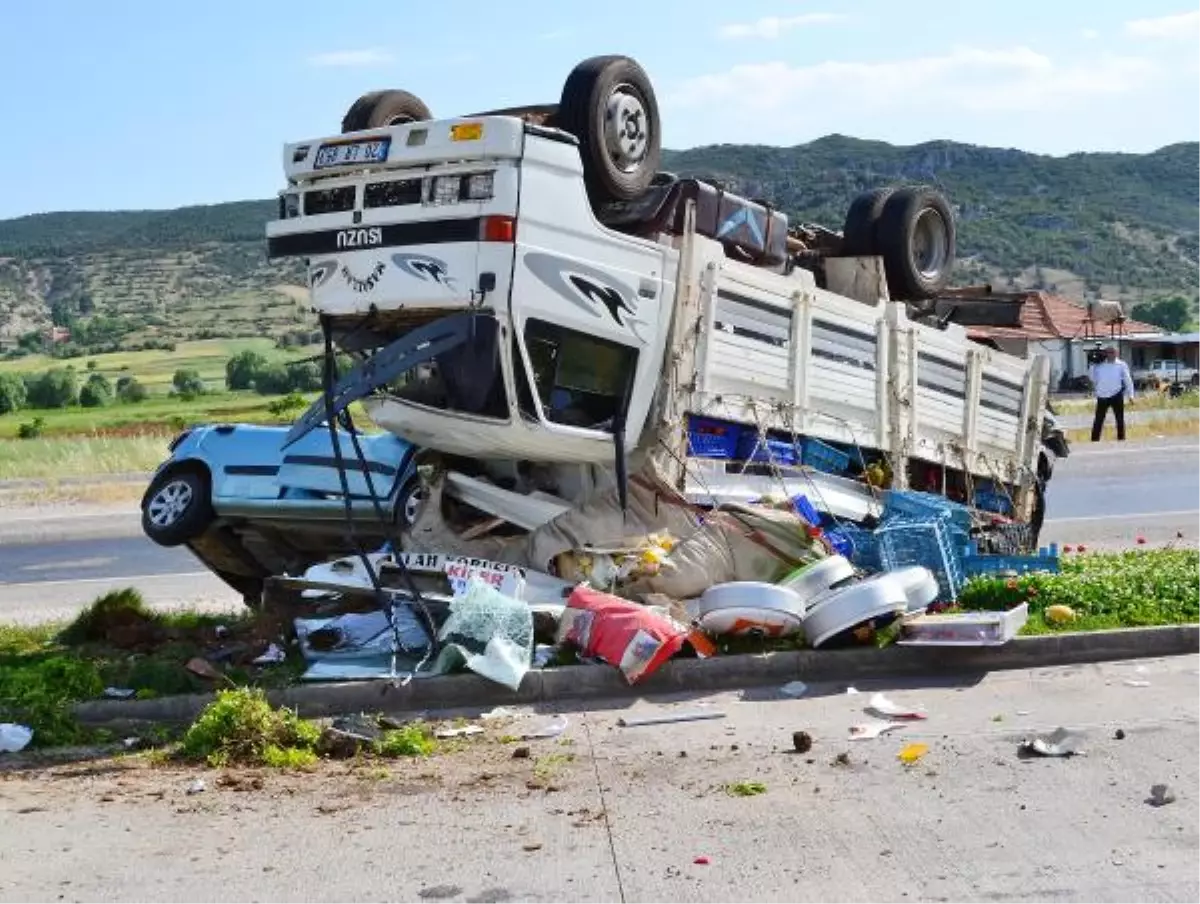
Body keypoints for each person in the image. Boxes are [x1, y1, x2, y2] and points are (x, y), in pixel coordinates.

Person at [1089, 345, 1135, 441]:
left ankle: (1121, 439)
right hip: (1102, 395)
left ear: (1116, 353)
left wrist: (1131, 395)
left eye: (1112, 352)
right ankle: (1094, 440)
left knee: (1119, 419)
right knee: (1098, 419)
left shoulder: (1121, 365)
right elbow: (1092, 378)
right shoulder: (1099, 365)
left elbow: (1128, 380)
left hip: (1116, 394)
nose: (1110, 354)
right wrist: (1092, 364)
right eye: (1108, 352)